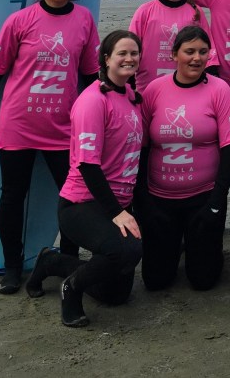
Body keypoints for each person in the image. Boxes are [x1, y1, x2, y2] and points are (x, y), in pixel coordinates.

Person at [0, 0, 99, 294]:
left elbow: (91, 75)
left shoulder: (83, 20)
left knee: (71, 198)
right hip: (18, 124)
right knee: (12, 196)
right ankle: (12, 267)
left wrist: (111, 104)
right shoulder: (20, 20)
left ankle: (67, 262)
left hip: (61, 127)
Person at [25, 31, 146, 327]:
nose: (130, 58)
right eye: (122, 53)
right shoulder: (92, 101)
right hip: (80, 204)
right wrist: (117, 213)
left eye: (134, 53)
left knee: (116, 294)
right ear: (106, 59)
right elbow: (88, 165)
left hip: (116, 202)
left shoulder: (132, 98)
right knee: (127, 249)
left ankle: (51, 262)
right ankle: (71, 290)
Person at [138, 25, 230, 291]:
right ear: (174, 54)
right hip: (160, 200)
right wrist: (144, 202)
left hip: (203, 199)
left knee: (203, 281)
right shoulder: (154, 90)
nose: (196, 58)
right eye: (189, 51)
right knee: (156, 282)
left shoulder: (219, 89)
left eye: (203, 52)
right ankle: (177, 244)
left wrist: (217, 200)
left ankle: (202, 247)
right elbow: (141, 147)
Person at [128, 0, 216, 93]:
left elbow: (209, 50)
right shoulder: (145, 11)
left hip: (187, 87)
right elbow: (130, 49)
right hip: (147, 87)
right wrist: (129, 84)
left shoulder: (195, 12)